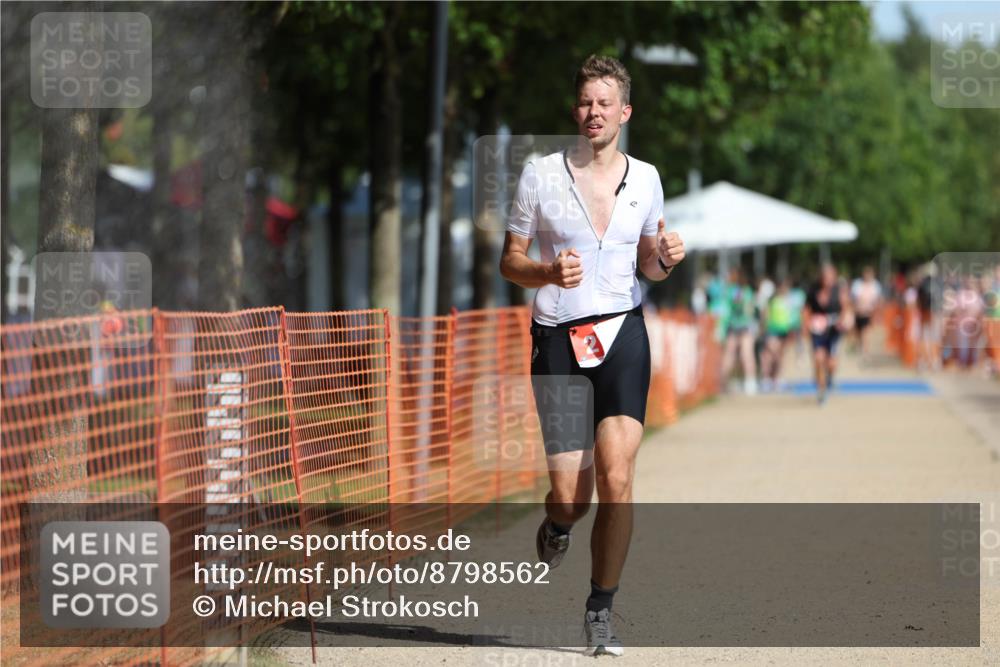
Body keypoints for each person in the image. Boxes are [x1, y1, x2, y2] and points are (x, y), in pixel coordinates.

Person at [499, 54, 684, 657]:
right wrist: (547, 270)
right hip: (557, 339)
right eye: (585, 102)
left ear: (624, 112)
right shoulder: (539, 175)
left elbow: (648, 265)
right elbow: (510, 260)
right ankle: (557, 525)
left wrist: (667, 257)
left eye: (605, 103)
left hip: (623, 334)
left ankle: (601, 608)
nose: (593, 112)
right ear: (573, 110)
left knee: (619, 476)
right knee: (572, 498)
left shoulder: (648, 177)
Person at [803, 264, 853, 405]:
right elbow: (806, 310)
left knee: (831, 363)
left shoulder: (839, 291)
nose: (827, 280)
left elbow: (846, 308)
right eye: (825, 277)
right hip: (817, 330)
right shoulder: (813, 290)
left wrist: (843, 320)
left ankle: (829, 376)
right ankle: (821, 390)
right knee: (819, 358)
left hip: (834, 331)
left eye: (830, 276)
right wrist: (806, 325)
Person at [719, 267, 758, 395]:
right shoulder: (745, 291)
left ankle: (726, 382)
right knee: (742, 355)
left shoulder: (735, 291)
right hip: (740, 326)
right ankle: (748, 382)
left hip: (739, 326)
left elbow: (737, 307)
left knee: (738, 355)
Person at [760, 278, 794, 391]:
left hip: (783, 331)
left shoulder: (788, 300)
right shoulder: (771, 300)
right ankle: (766, 379)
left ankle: (776, 379)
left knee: (780, 356)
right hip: (772, 330)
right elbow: (765, 315)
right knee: (770, 355)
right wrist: (764, 329)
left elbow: (791, 317)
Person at [850, 266, 882, 363]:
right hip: (858, 313)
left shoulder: (876, 285)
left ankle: (865, 353)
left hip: (868, 313)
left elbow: (878, 300)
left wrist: (876, 313)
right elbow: (853, 299)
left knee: (865, 333)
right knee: (859, 333)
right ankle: (860, 347)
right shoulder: (857, 284)